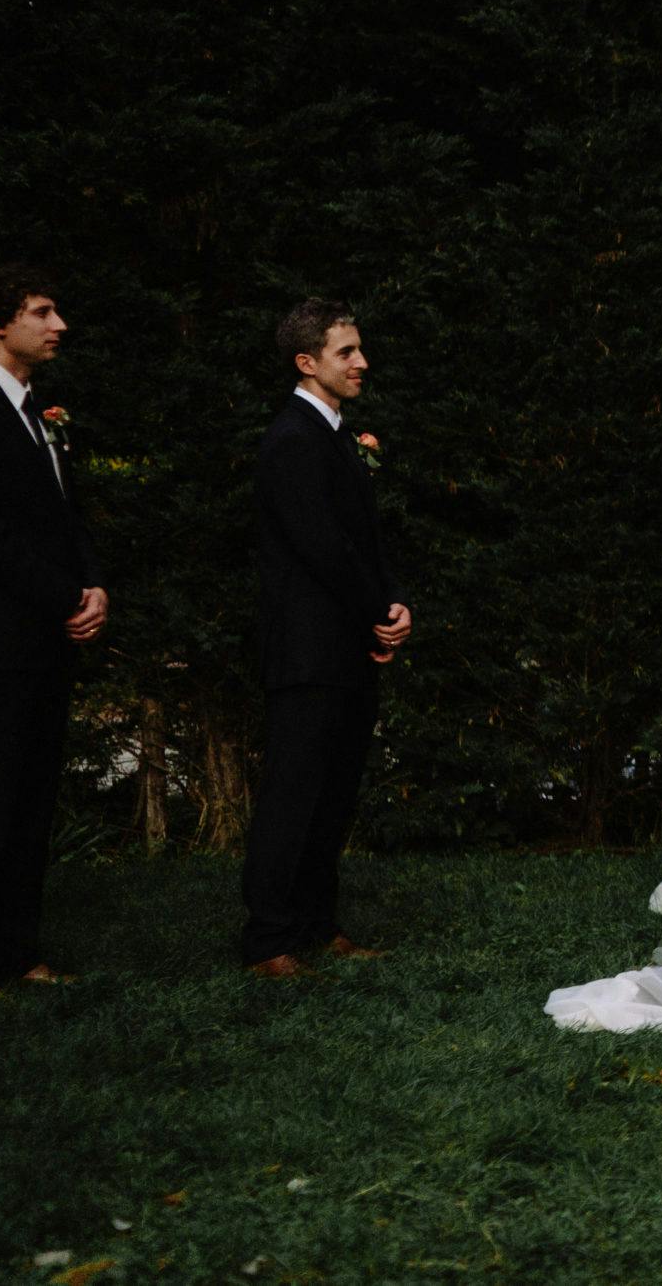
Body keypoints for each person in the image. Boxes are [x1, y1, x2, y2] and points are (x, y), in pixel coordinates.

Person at [0, 266, 107, 1005]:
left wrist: (94, 584)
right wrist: (65, 592)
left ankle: (17, 949)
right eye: (42, 311)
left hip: (44, 636)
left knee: (34, 795)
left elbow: (67, 516)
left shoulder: (39, 410)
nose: (59, 323)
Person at [241, 299, 412, 977]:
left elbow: (364, 542)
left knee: (333, 792)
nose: (362, 362)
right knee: (294, 792)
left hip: (346, 642)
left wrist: (394, 602)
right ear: (306, 362)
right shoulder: (291, 438)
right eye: (347, 351)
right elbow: (321, 547)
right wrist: (376, 606)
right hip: (309, 647)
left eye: (360, 349)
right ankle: (268, 939)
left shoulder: (338, 435)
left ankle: (317, 923)